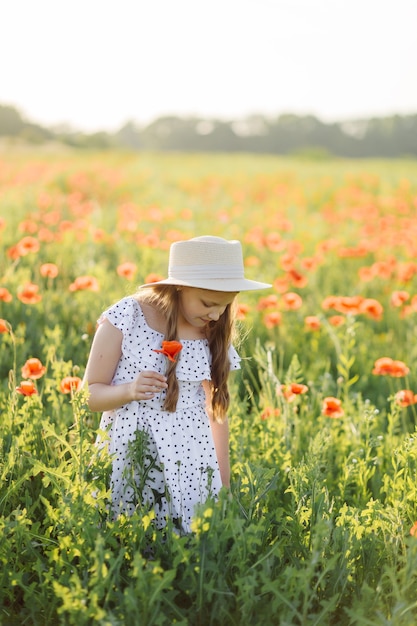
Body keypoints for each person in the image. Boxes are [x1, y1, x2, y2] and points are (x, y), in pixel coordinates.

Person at [84, 235, 270, 533]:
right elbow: (89, 395)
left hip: (192, 463)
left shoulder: (212, 330)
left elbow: (216, 414)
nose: (216, 314)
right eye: (209, 303)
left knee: (185, 552)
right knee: (128, 540)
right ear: (179, 286)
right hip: (132, 456)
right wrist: (129, 391)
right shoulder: (128, 316)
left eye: (225, 305)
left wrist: (223, 485)